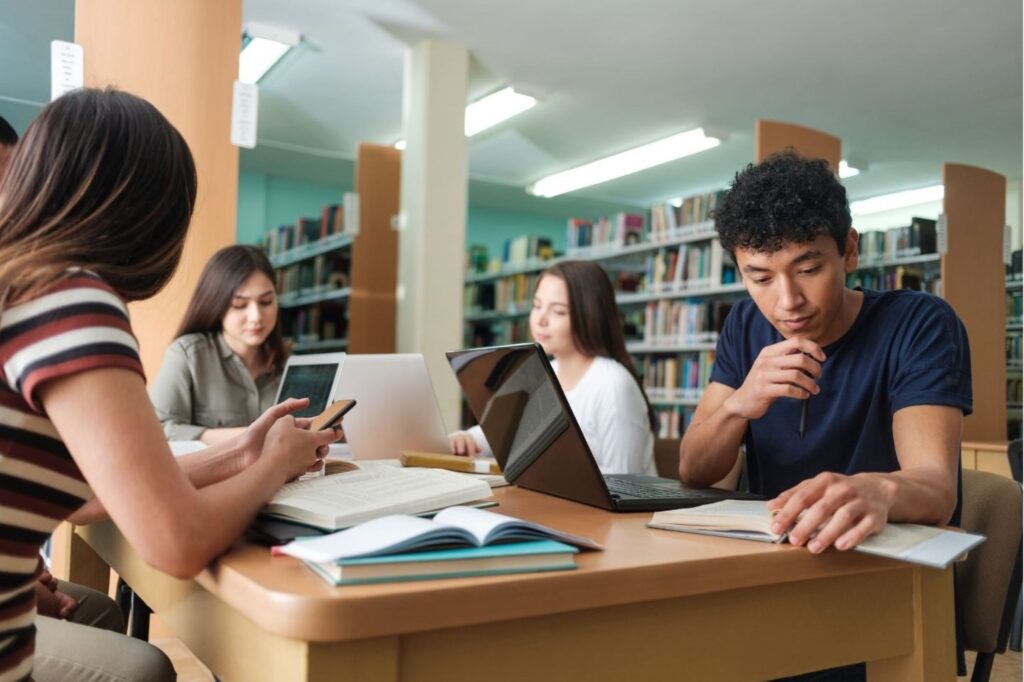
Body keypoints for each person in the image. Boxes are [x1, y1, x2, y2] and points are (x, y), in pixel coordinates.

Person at [0, 88, 339, 681]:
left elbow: (90, 496)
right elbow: (175, 542)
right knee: (146, 668)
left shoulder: (19, 285)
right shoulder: (70, 300)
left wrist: (244, 451)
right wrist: (272, 468)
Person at [678, 151, 969, 681]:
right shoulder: (745, 325)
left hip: (881, 597)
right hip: (768, 589)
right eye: (759, 276)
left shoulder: (919, 324)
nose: (786, 301)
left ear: (850, 250)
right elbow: (694, 471)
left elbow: (934, 486)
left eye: (808, 269)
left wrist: (876, 491)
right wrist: (740, 403)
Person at [450, 260, 658, 475]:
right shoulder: (535, 374)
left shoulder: (613, 385)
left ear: (590, 316)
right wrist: (465, 439)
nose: (540, 320)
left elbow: (627, 482)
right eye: (537, 306)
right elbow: (494, 433)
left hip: (602, 508)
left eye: (558, 312)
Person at [150, 244, 287, 443]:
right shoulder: (187, 354)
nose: (256, 317)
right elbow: (158, 430)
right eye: (239, 305)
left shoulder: (289, 366)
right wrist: (247, 436)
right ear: (215, 303)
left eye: (266, 302)